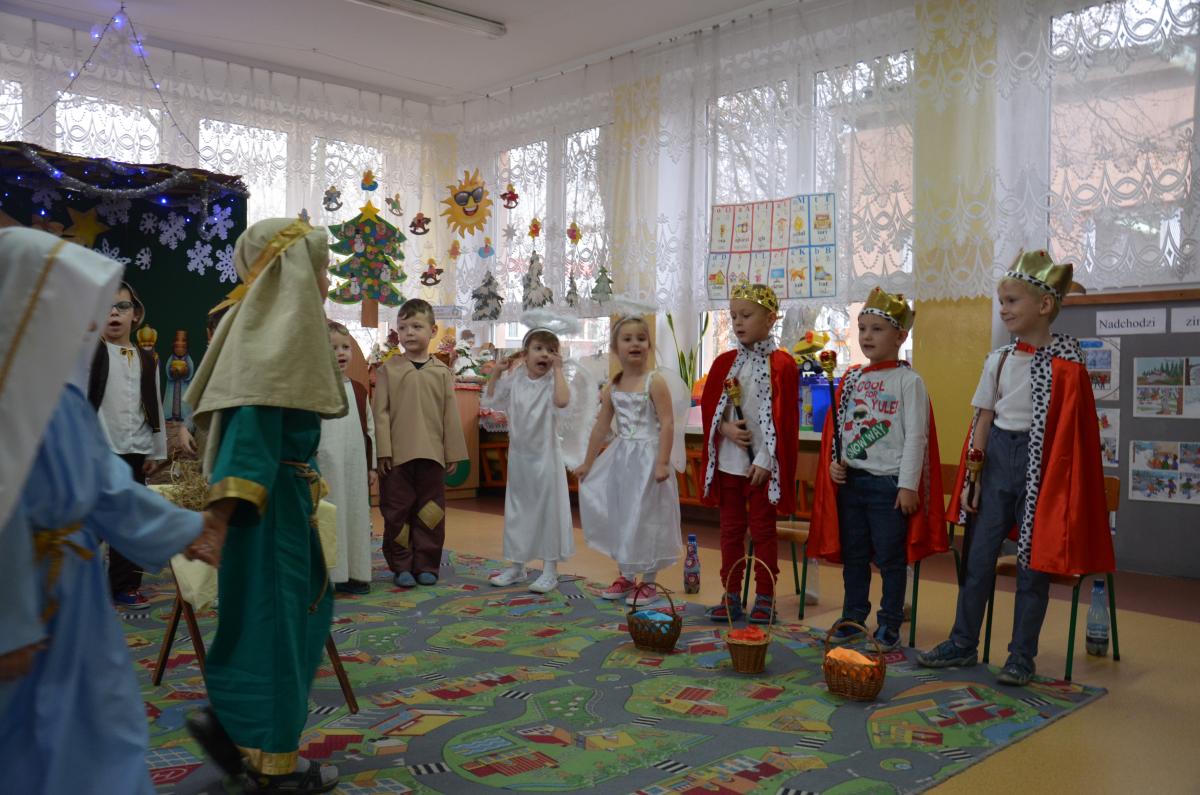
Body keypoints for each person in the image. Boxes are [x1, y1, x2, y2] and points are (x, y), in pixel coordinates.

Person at [0, 227, 224, 794]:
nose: (89, 324)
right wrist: (10, 623)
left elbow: (104, 488)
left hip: (74, 596)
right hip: (21, 598)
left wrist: (188, 528)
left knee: (97, 719)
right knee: (24, 733)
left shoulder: (62, 395)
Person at [184, 217, 348, 793]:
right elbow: (251, 431)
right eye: (321, 268)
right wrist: (219, 517)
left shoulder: (262, 327)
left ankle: (235, 725)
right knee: (279, 629)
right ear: (292, 270)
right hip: (270, 508)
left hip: (275, 502)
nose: (326, 280)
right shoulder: (275, 340)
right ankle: (273, 761)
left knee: (265, 620)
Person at [918, 250, 1114, 685]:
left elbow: (1072, 436)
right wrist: (972, 478)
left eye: (1012, 301)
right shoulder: (1000, 360)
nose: (1003, 310)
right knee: (978, 559)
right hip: (996, 464)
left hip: (1043, 470)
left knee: (1033, 567)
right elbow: (983, 419)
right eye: (1001, 302)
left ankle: (1021, 656)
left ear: (1043, 305)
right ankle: (962, 642)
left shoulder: (1067, 365)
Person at [808, 288, 945, 651]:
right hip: (853, 483)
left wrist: (908, 485)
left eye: (877, 329)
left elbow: (916, 437)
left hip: (888, 486)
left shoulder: (909, 382)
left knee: (890, 559)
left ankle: (889, 624)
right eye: (862, 328)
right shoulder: (854, 378)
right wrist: (837, 463)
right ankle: (854, 618)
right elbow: (842, 428)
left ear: (900, 336)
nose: (867, 336)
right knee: (854, 556)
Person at [699, 282, 799, 624]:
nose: (738, 322)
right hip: (729, 464)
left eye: (746, 315)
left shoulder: (782, 365)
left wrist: (766, 460)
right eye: (733, 316)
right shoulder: (724, 363)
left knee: (763, 531)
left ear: (770, 319)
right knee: (730, 531)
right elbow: (712, 409)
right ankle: (730, 594)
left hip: (761, 468)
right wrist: (725, 429)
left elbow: (784, 421)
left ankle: (765, 597)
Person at [576, 313, 682, 608]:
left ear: (649, 346)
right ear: (615, 348)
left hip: (650, 460)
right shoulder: (613, 387)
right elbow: (601, 427)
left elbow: (667, 423)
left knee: (647, 518)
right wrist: (588, 462)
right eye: (627, 339)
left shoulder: (654, 382)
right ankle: (625, 574)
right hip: (623, 460)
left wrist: (663, 462)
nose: (635, 344)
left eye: (641, 338)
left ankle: (648, 580)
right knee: (624, 515)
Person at [86, 280, 169, 609]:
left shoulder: (147, 359)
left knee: (129, 520)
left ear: (136, 315)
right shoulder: (91, 353)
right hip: (97, 451)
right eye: (105, 307)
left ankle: (124, 585)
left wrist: (156, 450)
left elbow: (154, 405)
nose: (113, 313)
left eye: (122, 306)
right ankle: (77, 585)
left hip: (134, 451)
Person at [372, 298, 467, 587]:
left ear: (433, 330)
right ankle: (401, 565)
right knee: (397, 512)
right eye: (402, 328)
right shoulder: (388, 370)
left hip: (432, 456)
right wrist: (383, 451)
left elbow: (450, 414)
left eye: (416, 326)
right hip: (397, 458)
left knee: (431, 513)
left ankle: (426, 564)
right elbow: (380, 413)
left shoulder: (441, 372)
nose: (409, 333)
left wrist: (452, 452)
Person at [484, 322, 574, 594]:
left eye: (551, 350)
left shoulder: (553, 382)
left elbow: (562, 402)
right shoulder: (516, 380)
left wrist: (558, 371)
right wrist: (496, 373)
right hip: (520, 458)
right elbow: (492, 401)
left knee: (548, 511)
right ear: (525, 354)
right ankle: (517, 565)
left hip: (546, 457)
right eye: (538, 349)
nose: (545, 354)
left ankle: (549, 570)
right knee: (517, 511)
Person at [319, 320, 377, 594]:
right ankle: (331, 575)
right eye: (333, 348)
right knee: (330, 517)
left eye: (345, 347)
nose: (341, 353)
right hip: (326, 466)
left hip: (354, 465)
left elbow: (369, 430)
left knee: (355, 515)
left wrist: (372, 466)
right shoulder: (314, 389)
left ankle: (356, 572)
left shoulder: (359, 390)